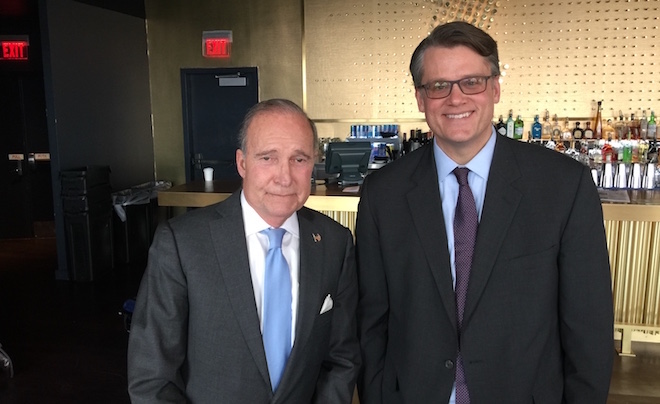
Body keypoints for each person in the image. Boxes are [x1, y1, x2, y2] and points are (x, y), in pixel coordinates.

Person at [356, 21, 614, 403]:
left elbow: (587, 326)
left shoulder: (562, 186)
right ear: (420, 98)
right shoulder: (384, 193)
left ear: (494, 88)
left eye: (471, 82)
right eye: (438, 86)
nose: (455, 99)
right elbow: (372, 322)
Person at [128, 99, 360, 403]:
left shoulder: (334, 243)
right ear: (242, 163)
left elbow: (341, 360)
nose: (284, 177)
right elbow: (152, 377)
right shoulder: (182, 244)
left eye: (299, 159)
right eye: (268, 158)